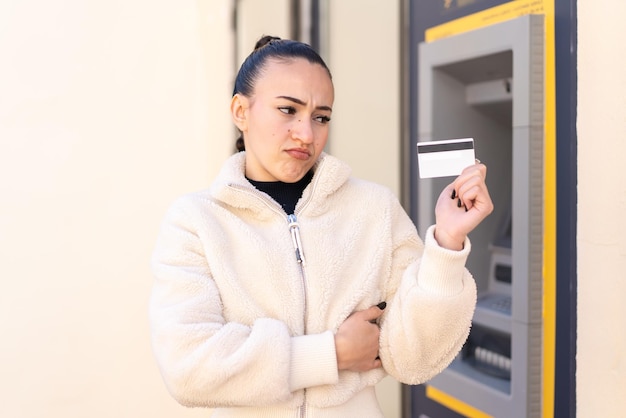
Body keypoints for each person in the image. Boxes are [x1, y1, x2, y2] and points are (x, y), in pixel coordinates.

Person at [149, 35, 494, 417]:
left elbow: (415, 359)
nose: (306, 134)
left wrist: (447, 242)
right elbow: (189, 367)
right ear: (240, 111)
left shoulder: (374, 209)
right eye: (287, 110)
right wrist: (332, 353)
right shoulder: (196, 220)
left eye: (321, 117)